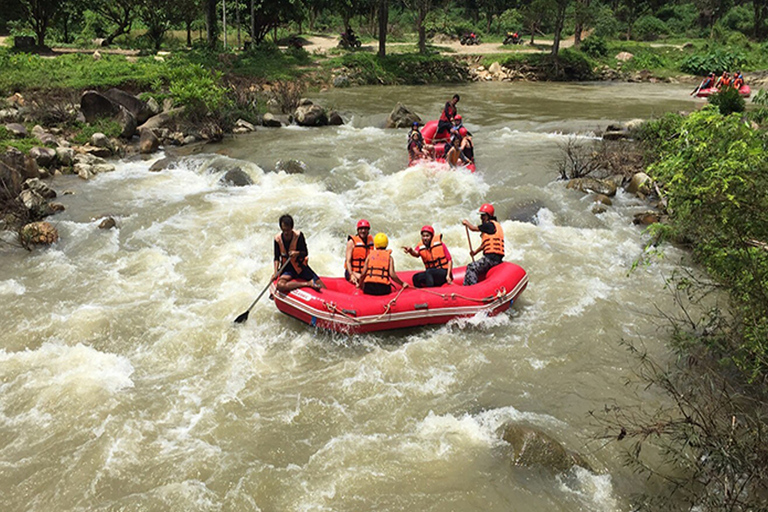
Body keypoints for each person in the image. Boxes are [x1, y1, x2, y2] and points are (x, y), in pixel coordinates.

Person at [273, 214, 326, 293]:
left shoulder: (299, 236)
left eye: (288, 230)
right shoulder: (277, 239)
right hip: (287, 269)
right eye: (284, 230)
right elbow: (276, 257)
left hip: (300, 267)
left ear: (291, 228)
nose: (286, 233)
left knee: (321, 285)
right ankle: (307, 284)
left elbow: (305, 252)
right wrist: (275, 272)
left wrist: (296, 253)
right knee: (280, 285)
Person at [461, 203, 504, 286]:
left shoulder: (488, 225)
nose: (481, 218)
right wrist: (475, 252)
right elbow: (484, 245)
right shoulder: (495, 226)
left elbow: (473, 228)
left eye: (483, 215)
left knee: (471, 267)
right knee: (476, 267)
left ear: (488, 215)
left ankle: (472, 289)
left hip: (490, 259)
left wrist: (467, 223)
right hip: (497, 259)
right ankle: (466, 288)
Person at [345, 219, 373, 285]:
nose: (363, 231)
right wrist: (351, 274)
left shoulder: (371, 241)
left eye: (365, 229)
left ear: (368, 230)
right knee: (364, 280)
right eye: (361, 229)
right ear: (358, 230)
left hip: (364, 272)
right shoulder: (351, 242)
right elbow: (348, 261)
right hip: (352, 271)